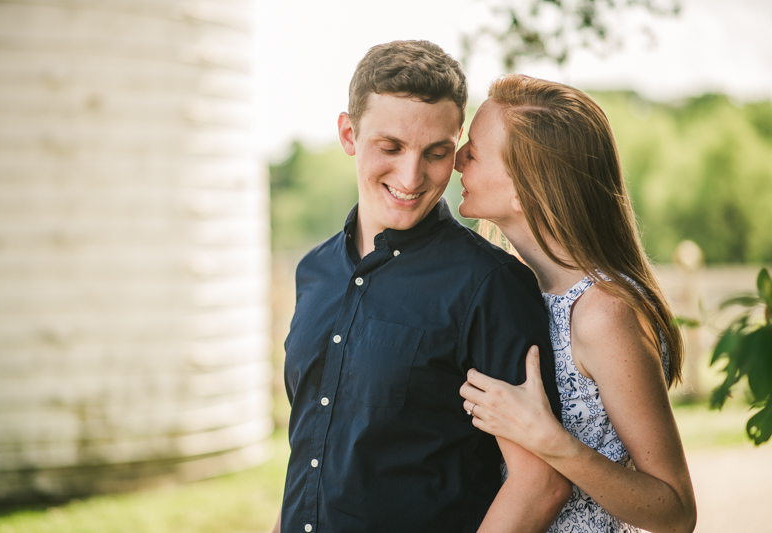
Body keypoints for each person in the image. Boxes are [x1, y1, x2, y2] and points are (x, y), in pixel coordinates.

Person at [273, 42, 571, 533]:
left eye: (435, 153)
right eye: (390, 148)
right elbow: (310, 453)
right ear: (349, 133)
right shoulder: (314, 272)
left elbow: (541, 483)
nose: (411, 177)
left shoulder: (490, 286)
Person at [457, 74, 697, 533]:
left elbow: (676, 510)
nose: (456, 160)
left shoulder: (603, 312)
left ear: (525, 190)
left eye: (474, 151)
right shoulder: (518, 285)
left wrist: (549, 441)